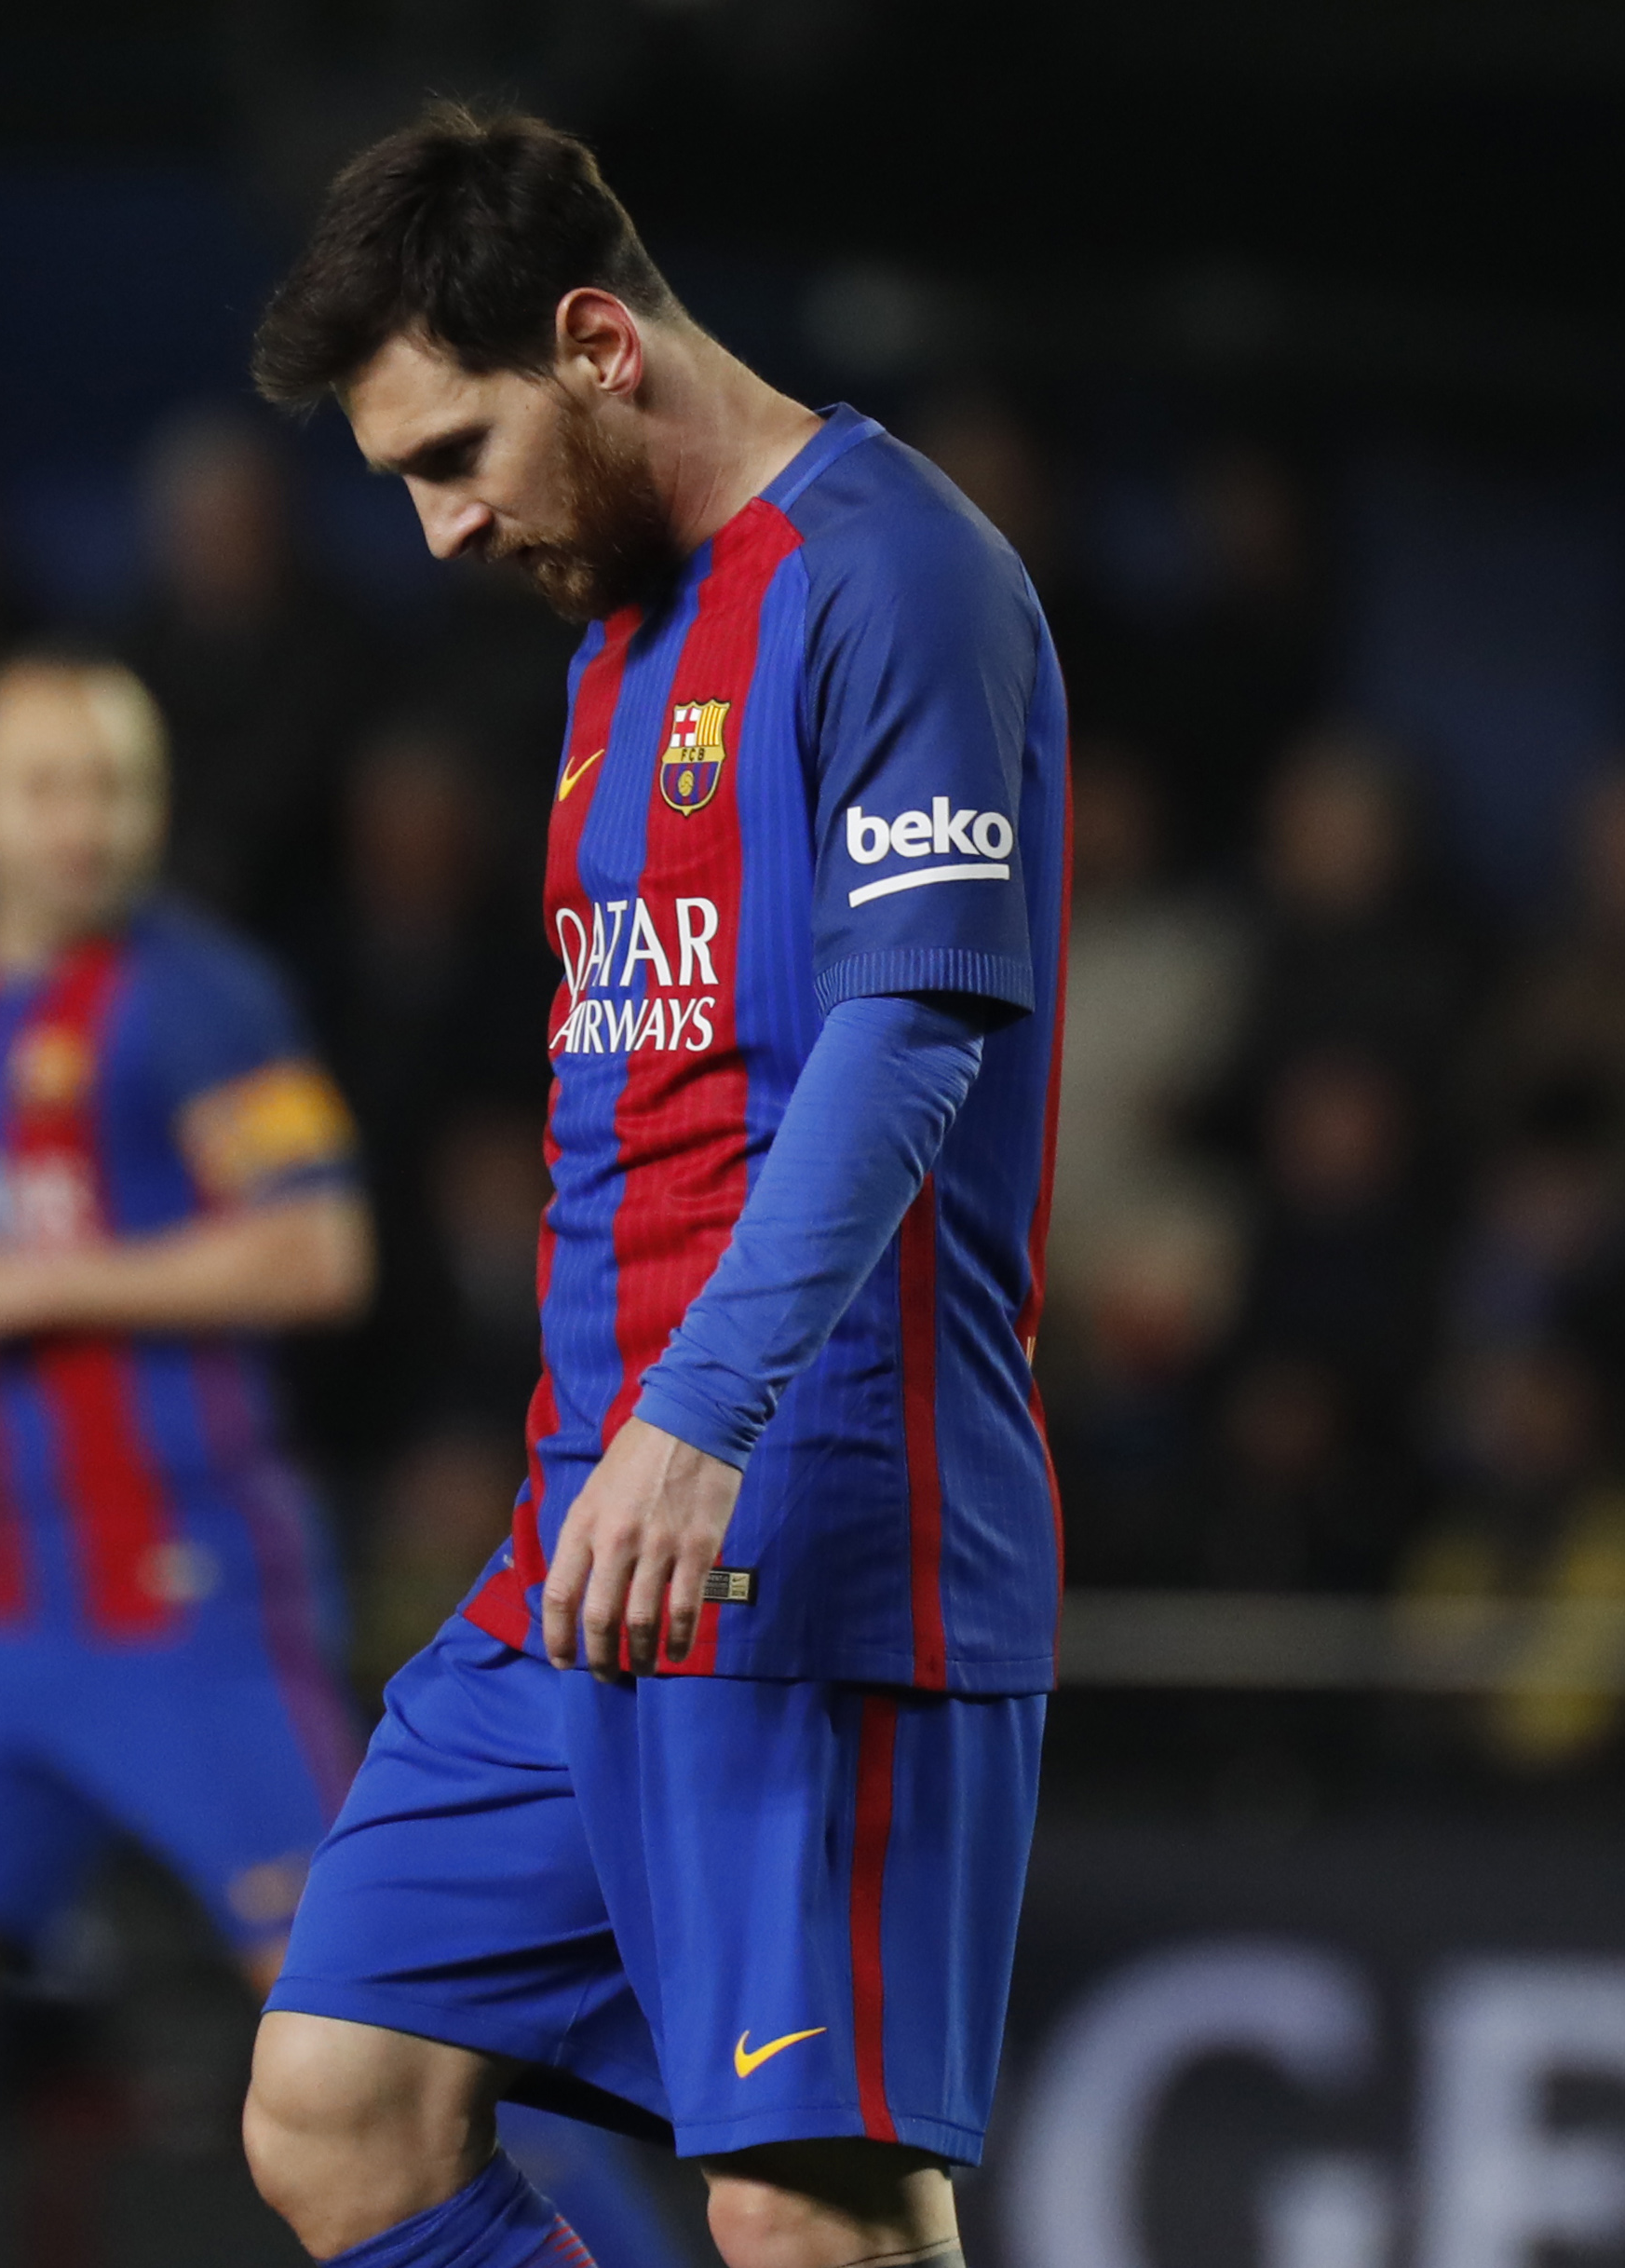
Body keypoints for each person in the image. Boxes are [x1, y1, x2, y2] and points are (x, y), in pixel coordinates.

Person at [235, 105, 1065, 2268]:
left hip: (805, 1540)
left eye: (449, 455)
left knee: (804, 2228)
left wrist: (695, 1424)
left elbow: (903, 1038)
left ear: (594, 341)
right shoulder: (613, 630)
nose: (434, 530)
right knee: (336, 2109)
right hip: (580, 1549)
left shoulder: (893, 577)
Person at [0, 654, 380, 2268]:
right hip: (12, 1610)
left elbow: (319, 1249)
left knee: (371, 2057)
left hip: (189, 1601)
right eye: (47, 784)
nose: (87, 821)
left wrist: (19, 1290)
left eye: (115, 785)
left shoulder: (195, 997)